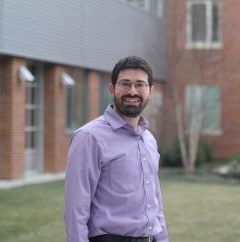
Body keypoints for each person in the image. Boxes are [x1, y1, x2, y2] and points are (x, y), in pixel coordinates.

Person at [64, 56, 169, 242]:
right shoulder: (90, 137)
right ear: (112, 88)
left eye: (140, 84)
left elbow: (155, 201)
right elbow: (75, 209)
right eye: (125, 84)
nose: (132, 91)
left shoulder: (149, 139)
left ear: (150, 91)